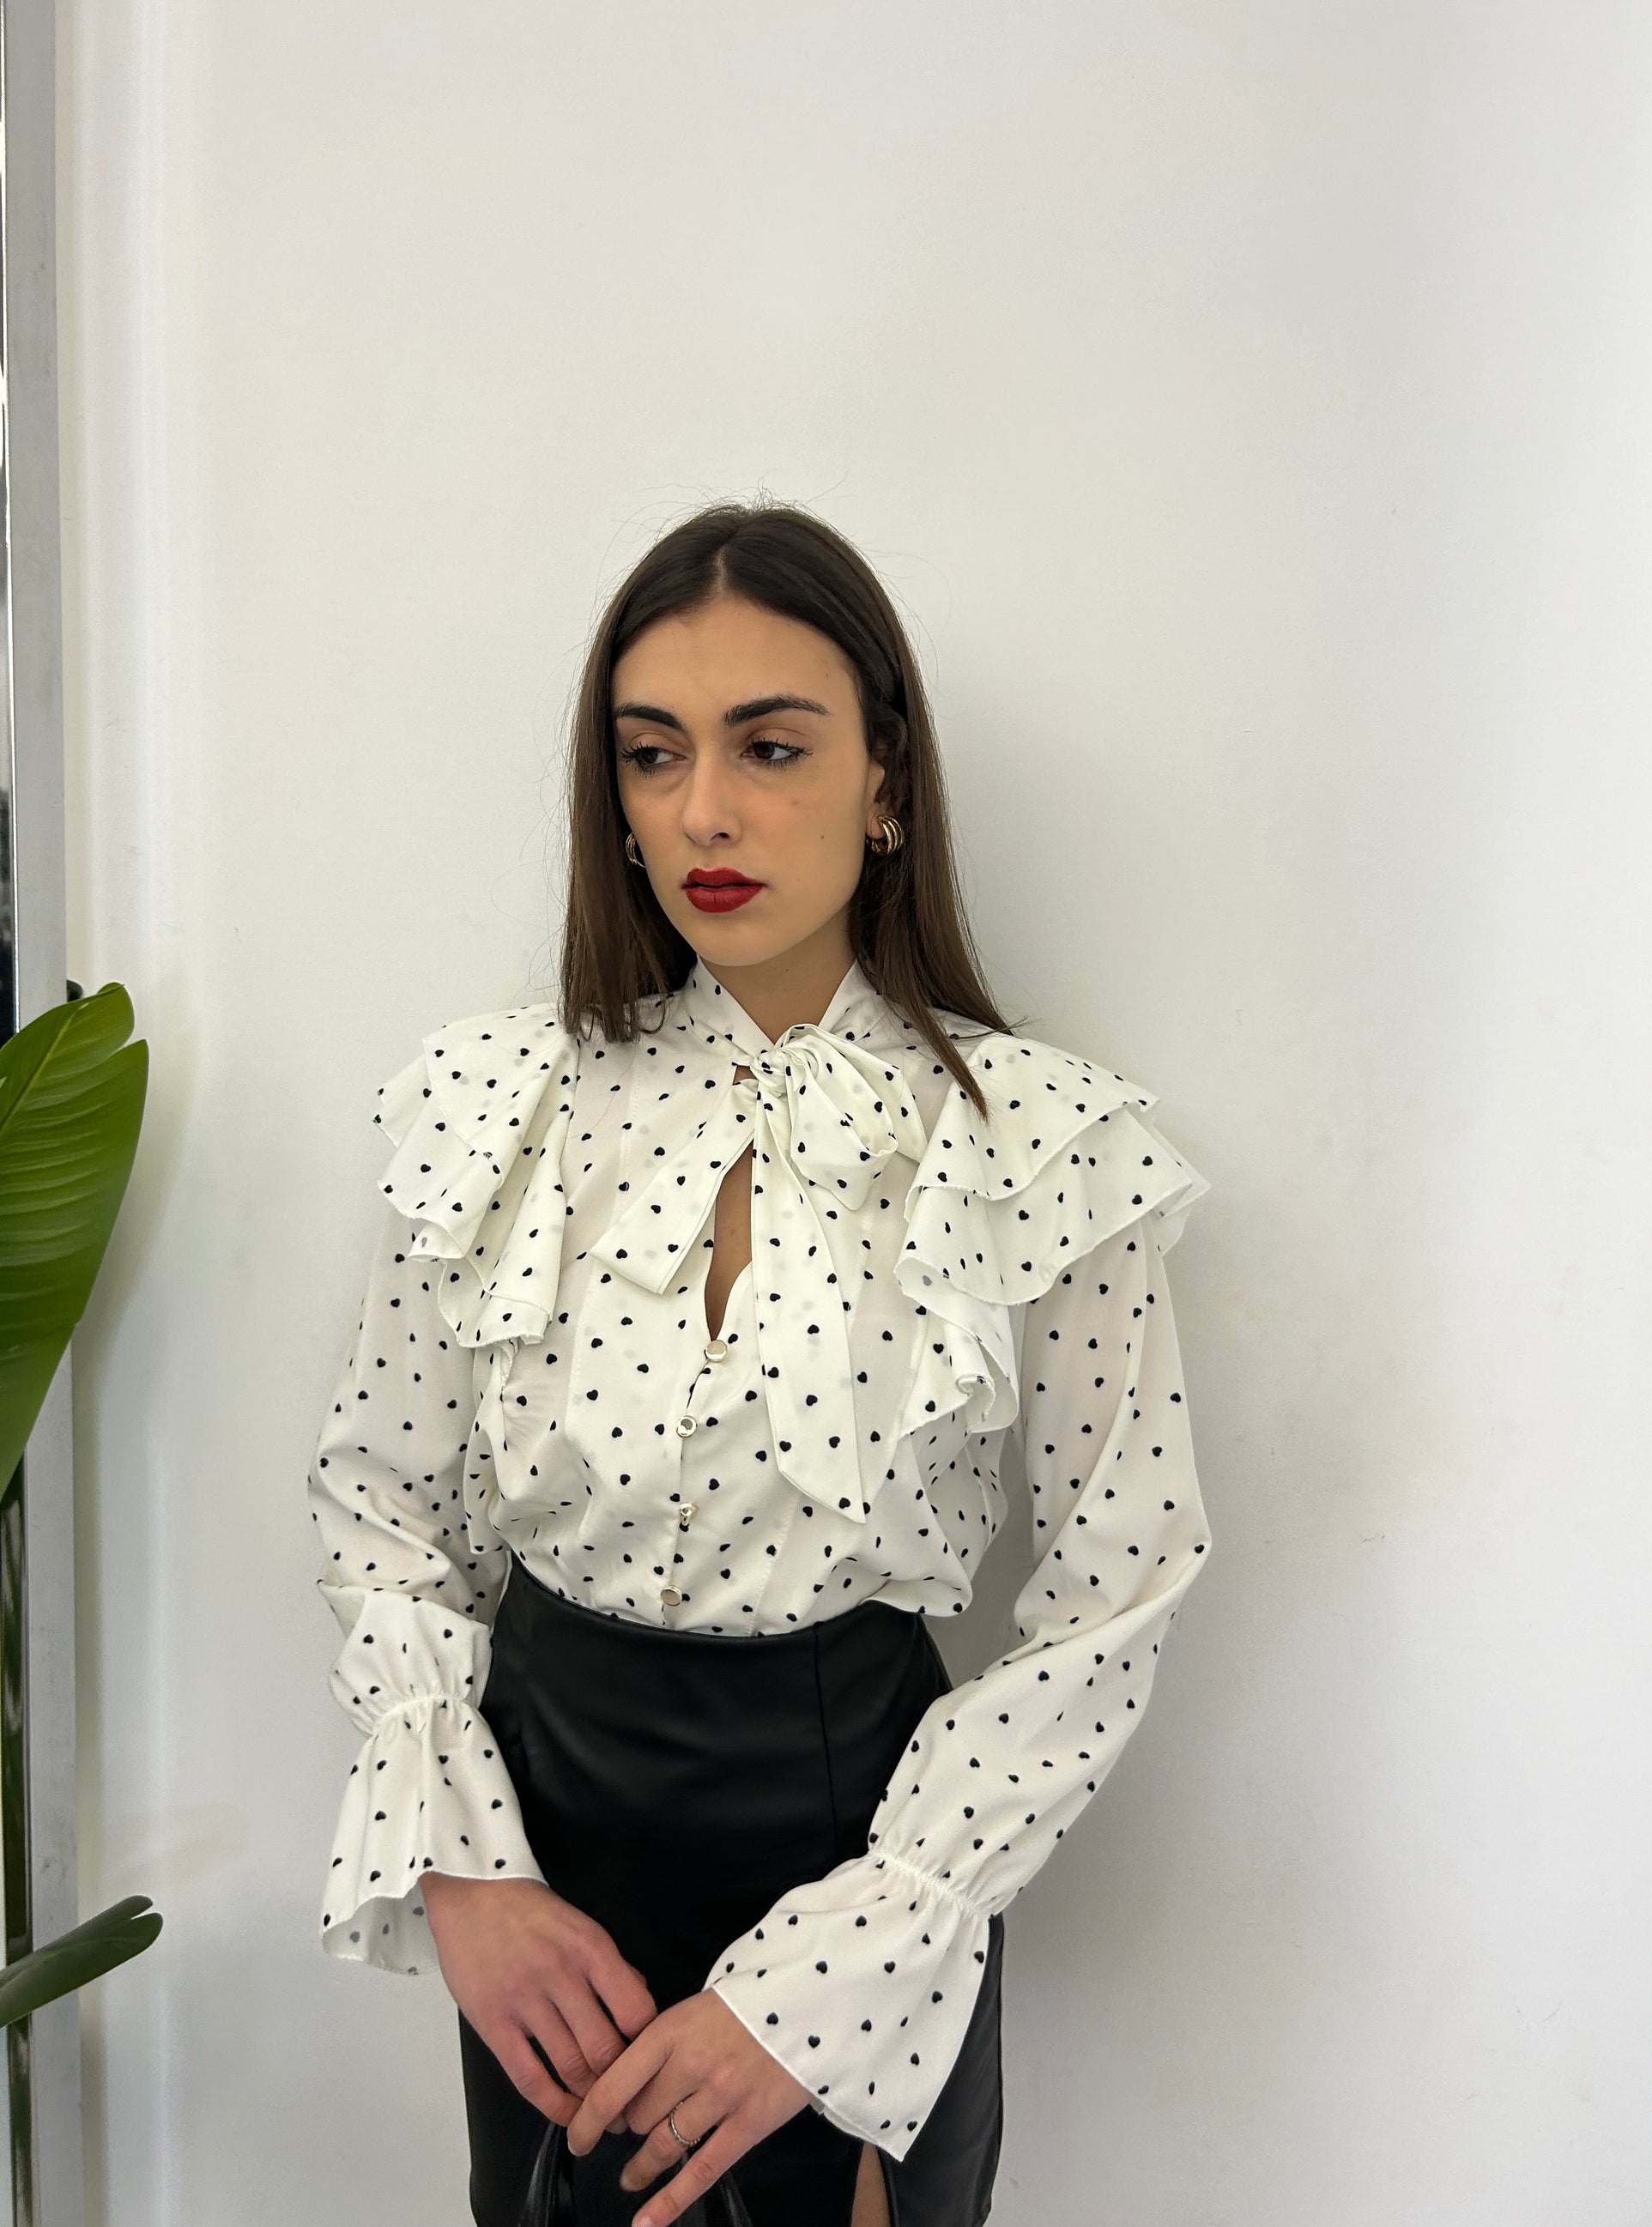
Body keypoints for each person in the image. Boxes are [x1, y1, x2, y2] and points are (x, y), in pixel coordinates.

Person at [306, 502, 1213, 2227]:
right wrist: (463, 1866)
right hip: (544, 1861)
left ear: (886, 784)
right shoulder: (491, 1102)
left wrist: (847, 1960)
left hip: (865, 1860)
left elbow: (1119, 1579)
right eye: (651, 754)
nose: (703, 810)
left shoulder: (1040, 1140)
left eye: (770, 746)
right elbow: (380, 1499)